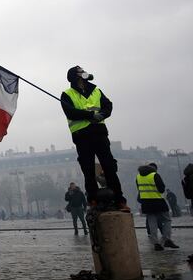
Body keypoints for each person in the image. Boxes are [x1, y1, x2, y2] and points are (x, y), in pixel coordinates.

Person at [61, 66, 128, 209]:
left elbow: (108, 105)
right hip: (81, 135)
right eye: (81, 72)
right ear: (75, 77)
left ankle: (119, 199)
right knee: (88, 169)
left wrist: (102, 115)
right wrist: (91, 115)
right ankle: (93, 200)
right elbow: (70, 113)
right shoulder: (67, 94)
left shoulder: (96, 90)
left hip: (99, 133)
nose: (85, 73)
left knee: (109, 166)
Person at [137, 163, 179, 251]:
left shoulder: (138, 177)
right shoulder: (155, 175)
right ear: (154, 169)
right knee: (167, 220)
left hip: (146, 203)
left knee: (152, 223)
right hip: (158, 201)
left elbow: (139, 190)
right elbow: (161, 189)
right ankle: (166, 239)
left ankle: (156, 243)